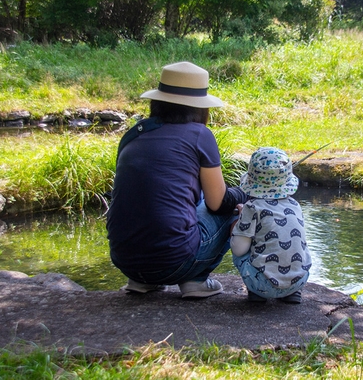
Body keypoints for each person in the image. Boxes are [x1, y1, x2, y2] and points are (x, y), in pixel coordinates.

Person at [106, 61, 247, 299]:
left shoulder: (134, 134)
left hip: (124, 261)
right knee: (231, 210)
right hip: (175, 263)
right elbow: (217, 203)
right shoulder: (200, 134)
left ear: (157, 101)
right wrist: (243, 194)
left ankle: (141, 281)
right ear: (200, 107)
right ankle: (196, 281)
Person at [230, 147, 312, 303]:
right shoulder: (295, 205)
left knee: (237, 237)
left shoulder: (252, 207)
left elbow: (239, 249)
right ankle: (292, 293)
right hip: (300, 280)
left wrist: (240, 220)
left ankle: (258, 293)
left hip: (263, 284)